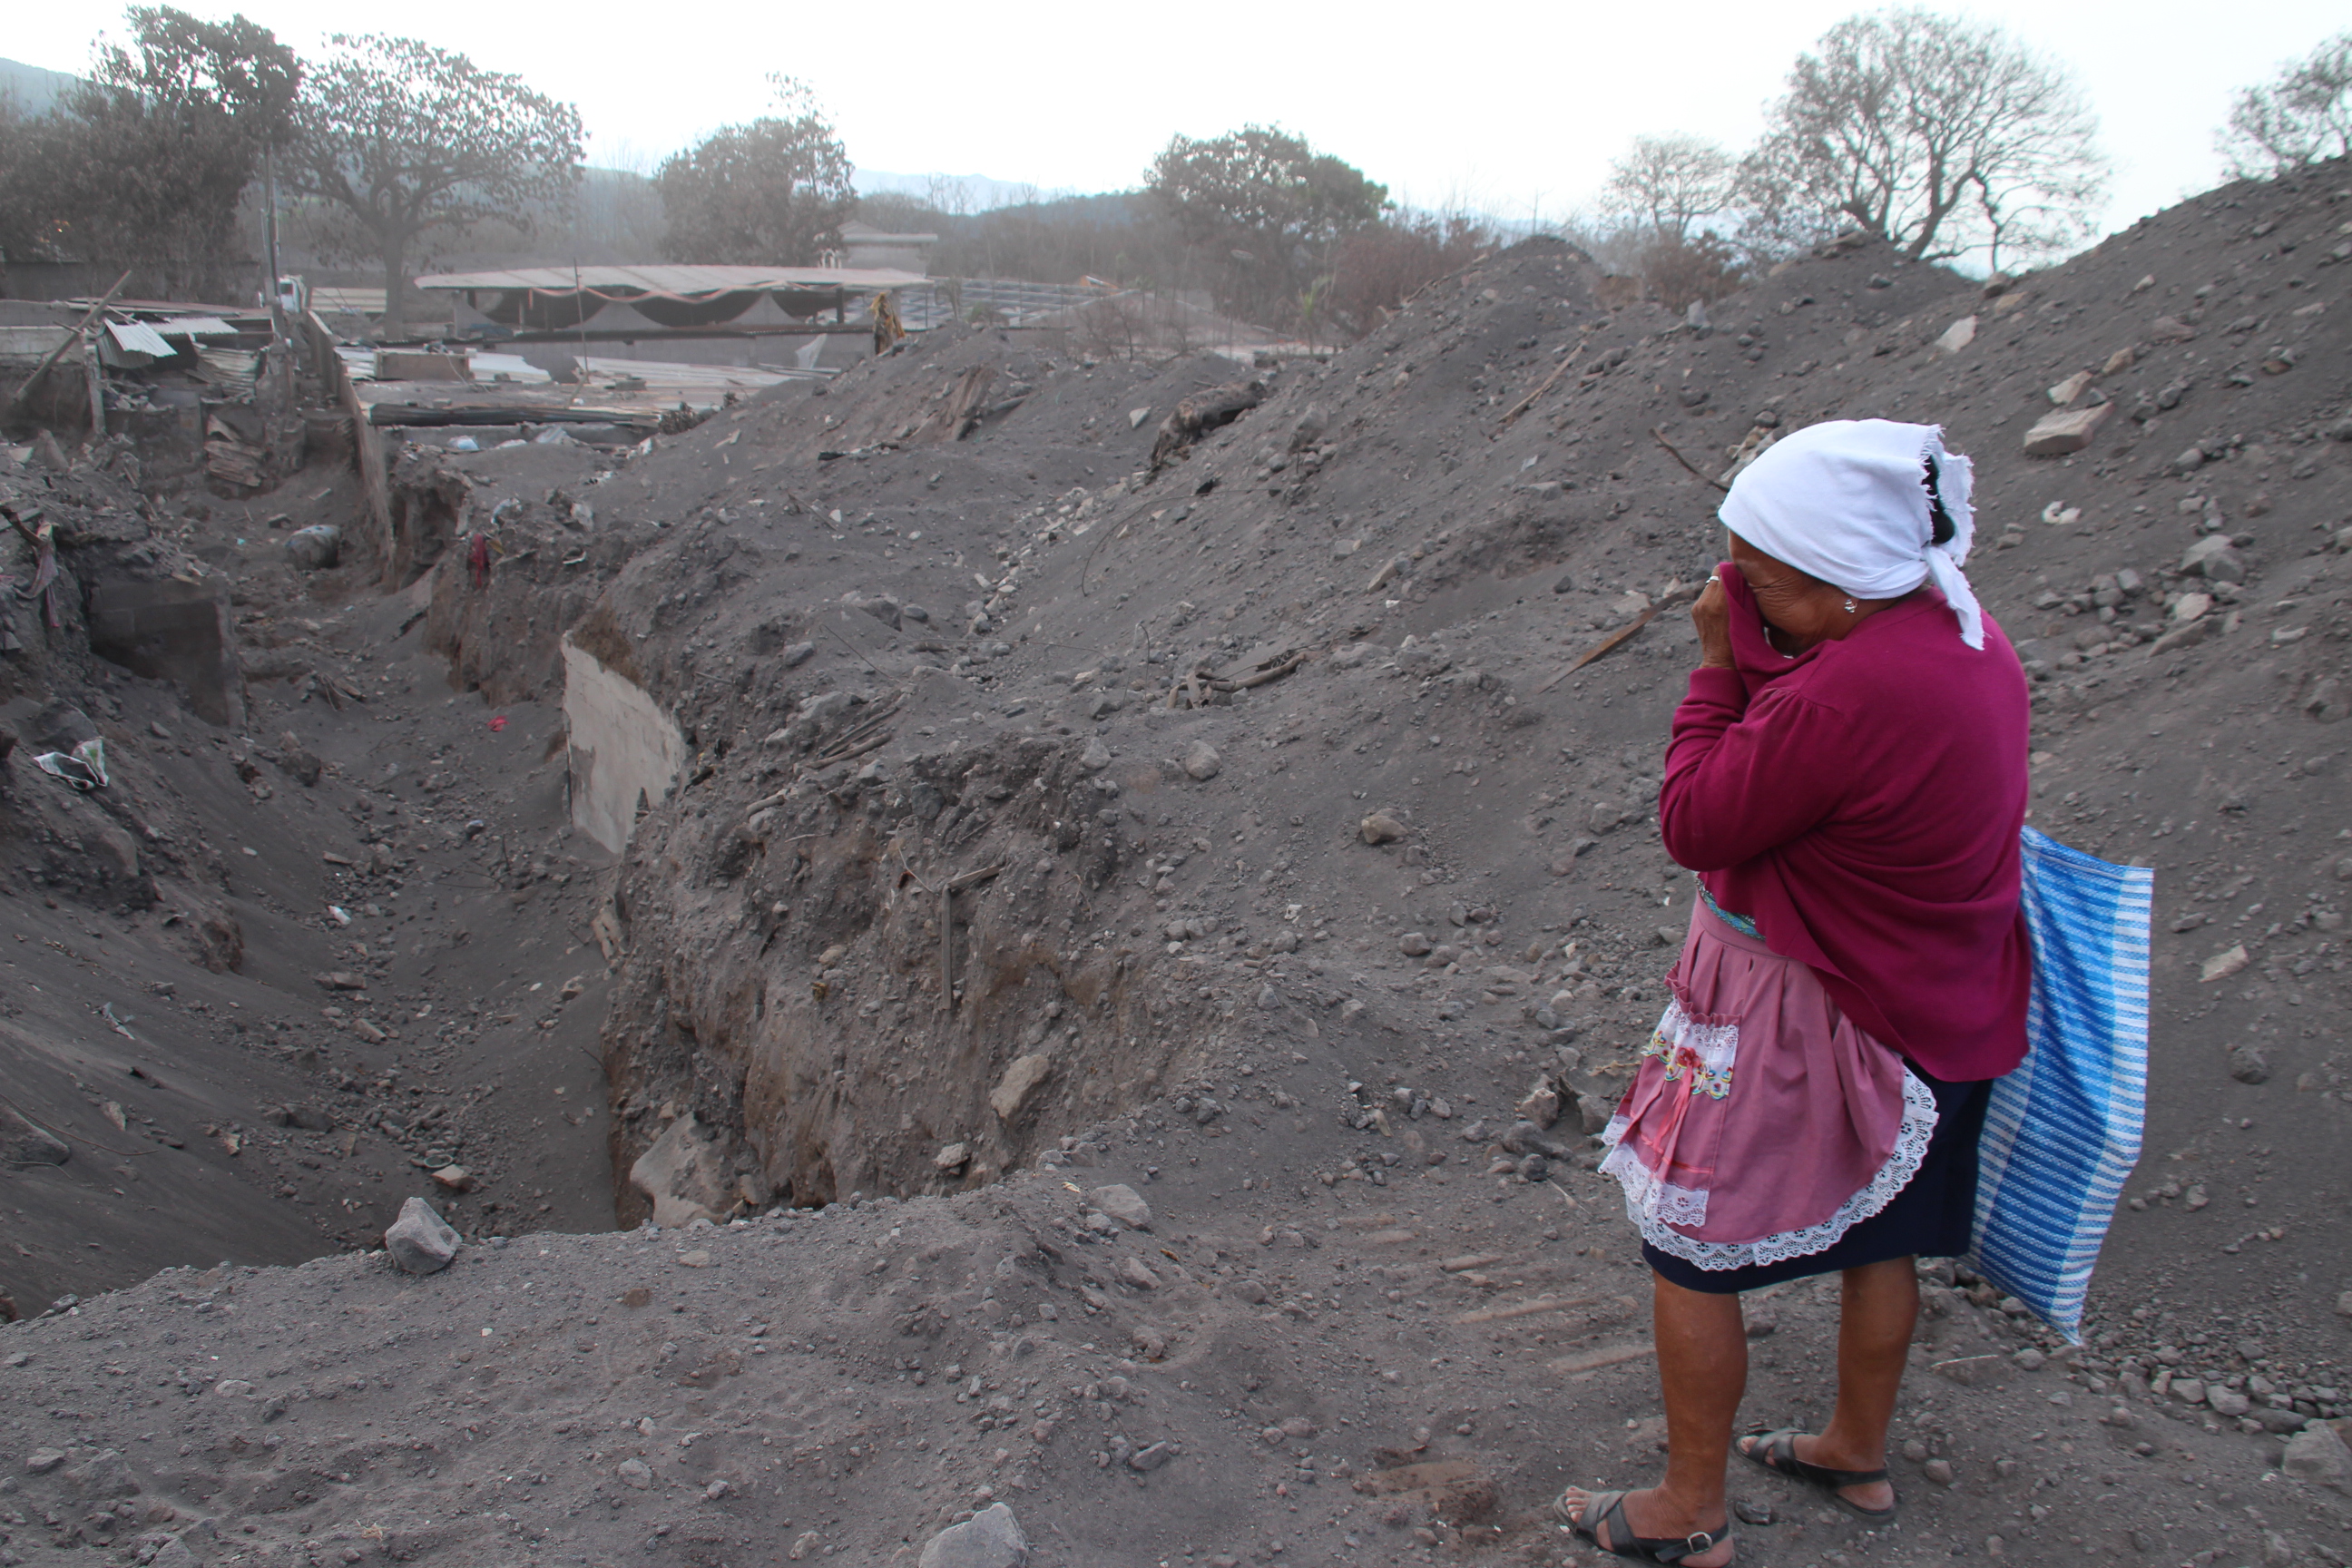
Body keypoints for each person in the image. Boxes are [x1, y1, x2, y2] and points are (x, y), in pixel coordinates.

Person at [1556, 419, 2033, 1565]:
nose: (1747, 599)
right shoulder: (1964, 636)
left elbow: (1696, 820)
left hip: (1815, 1018)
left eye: (1768, 582)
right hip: (1943, 1007)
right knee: (1885, 1237)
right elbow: (1821, 710)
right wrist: (1762, 611)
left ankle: (1689, 1510)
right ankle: (1853, 1450)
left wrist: (1716, 663)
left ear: (1851, 581)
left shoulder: (1844, 695)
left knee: (1686, 1246)